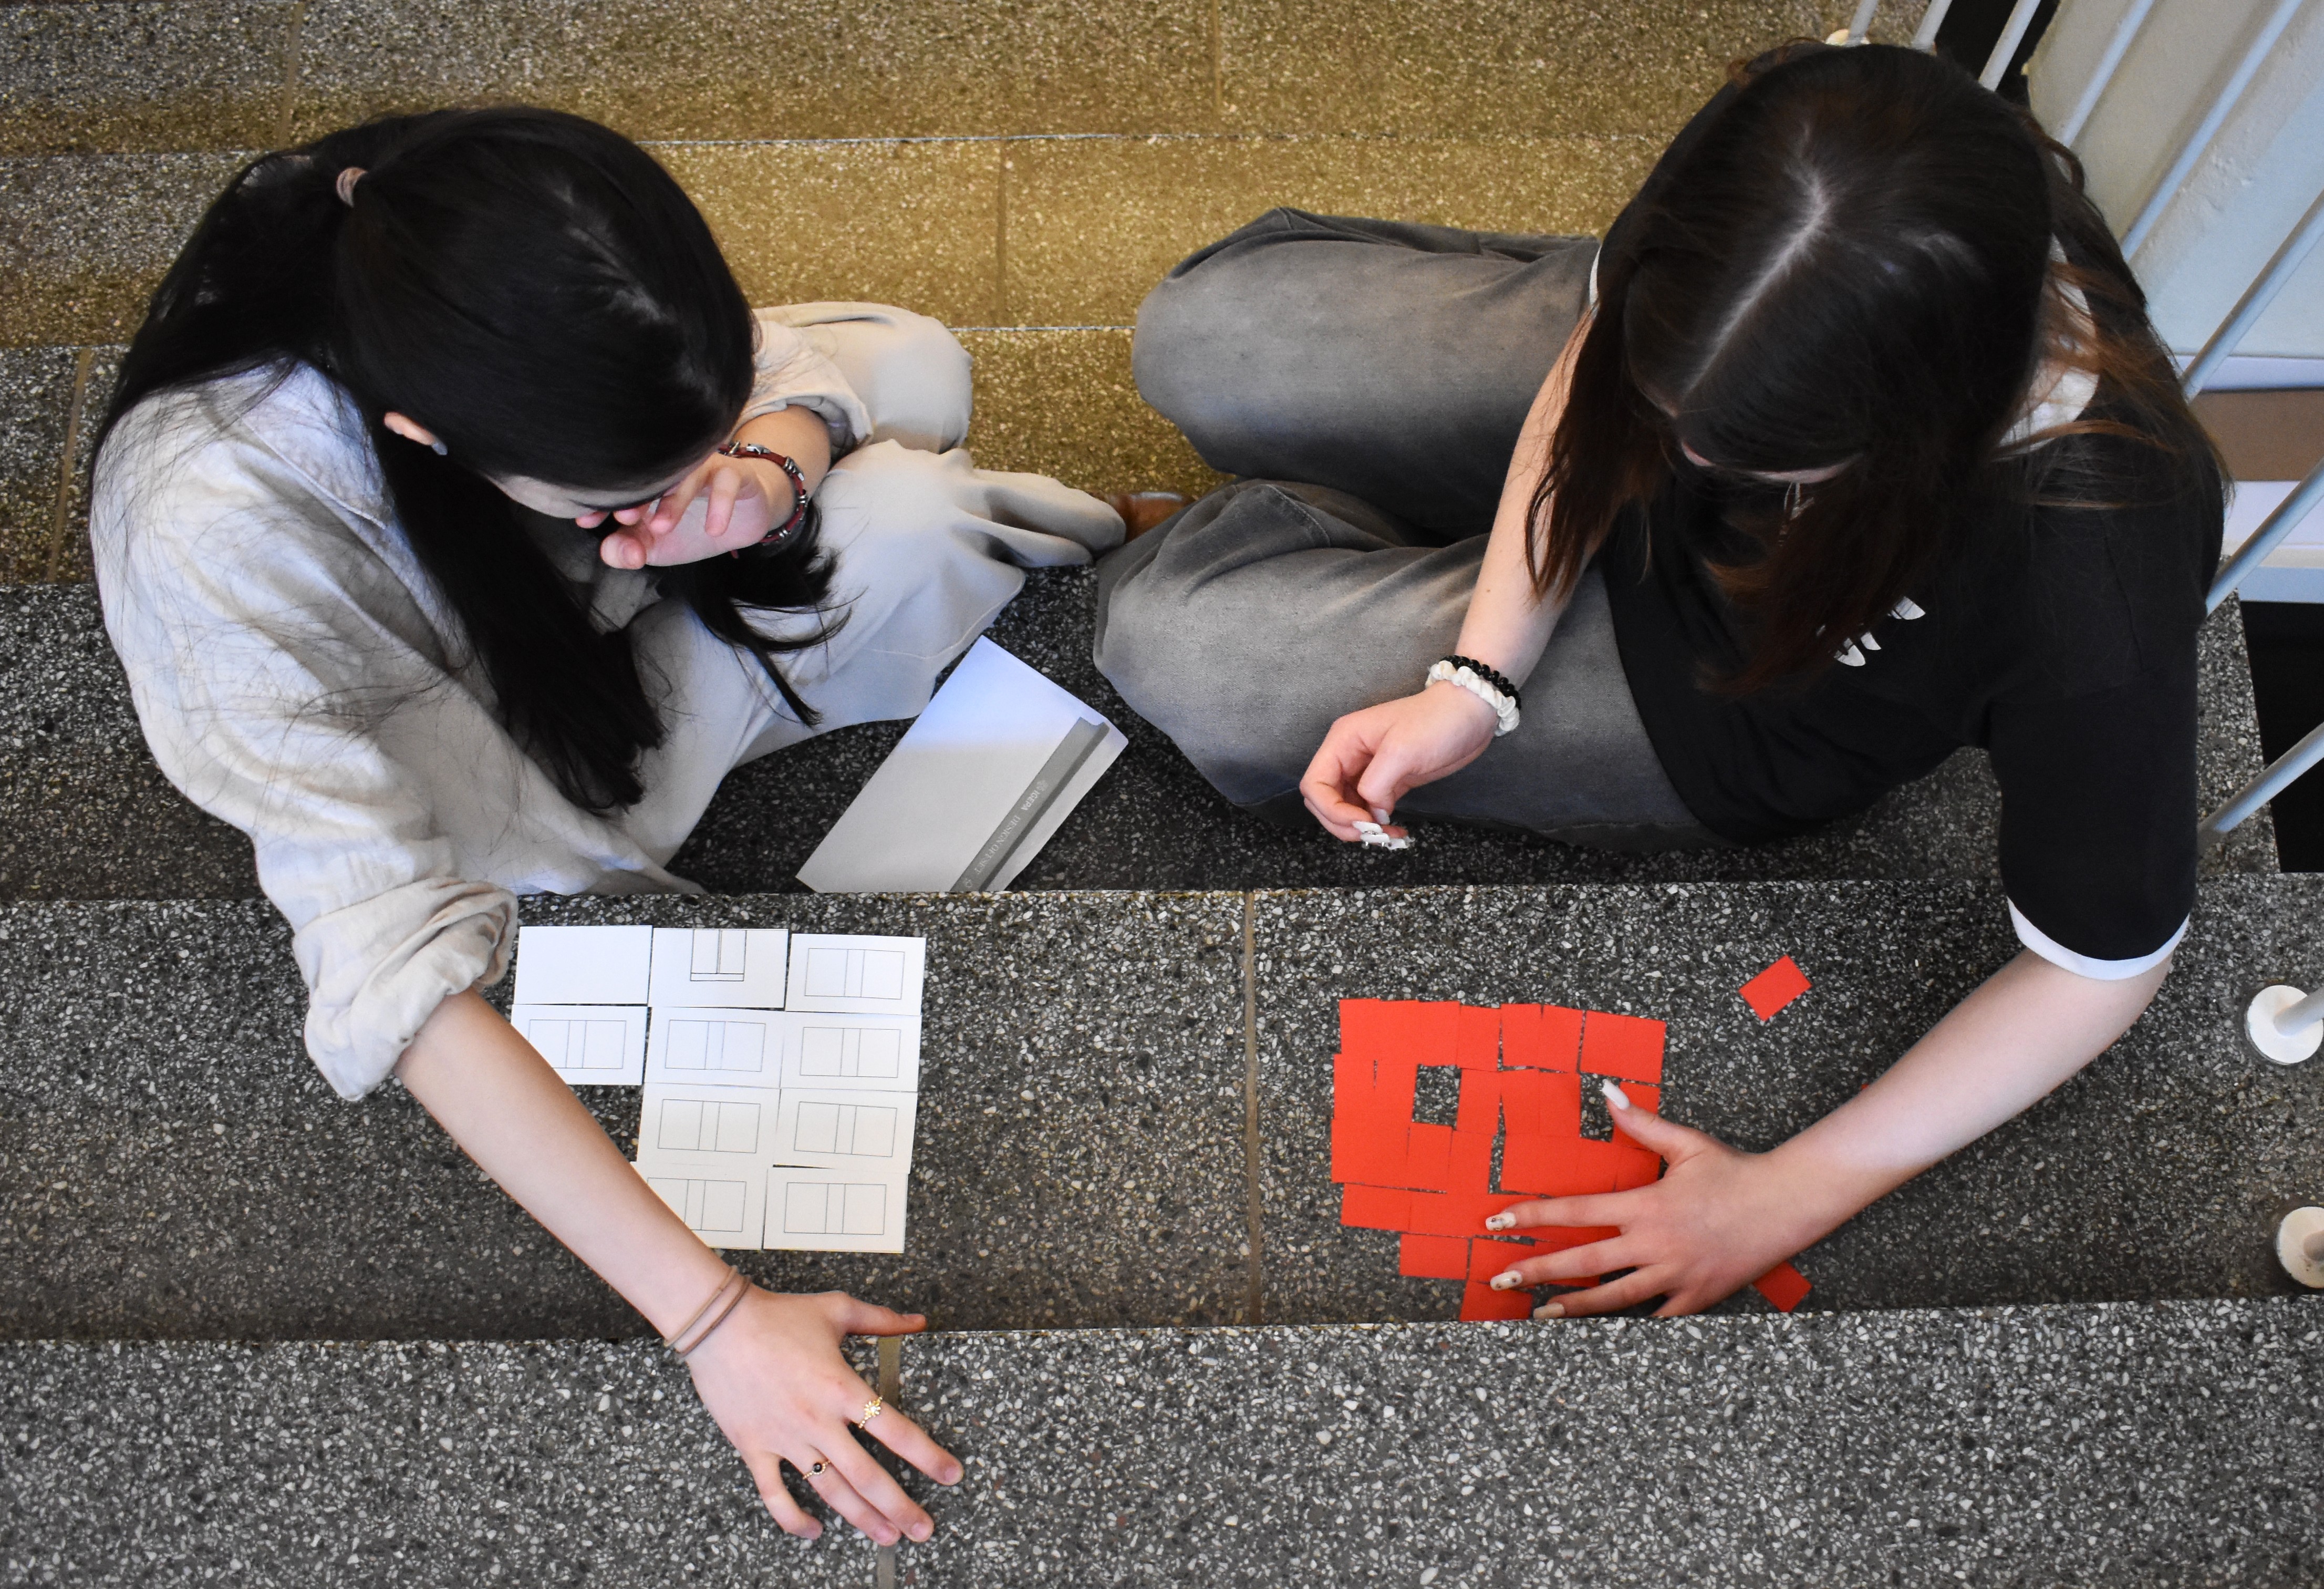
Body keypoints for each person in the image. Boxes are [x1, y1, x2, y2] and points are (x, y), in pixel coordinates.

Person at [91, 106, 1129, 1544]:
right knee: (930, 524)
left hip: (605, 614)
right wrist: (713, 1319)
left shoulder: (481, 228)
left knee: (919, 377)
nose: (664, 488)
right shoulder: (215, 538)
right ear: (428, 435)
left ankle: (821, 530)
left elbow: (762, 381)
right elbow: (393, 968)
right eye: (620, 488)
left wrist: (755, 476)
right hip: (502, 766)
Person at [1096, 43, 2222, 1315]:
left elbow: (2101, 965)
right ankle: (1368, 535)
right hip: (1699, 402)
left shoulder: (2095, 566)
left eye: (1770, 461)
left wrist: (1786, 1193)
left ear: (1920, 429)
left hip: (1722, 703)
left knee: (1164, 641)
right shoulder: (1817, 148)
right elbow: (1600, 374)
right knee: (1198, 340)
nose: (1681, 461)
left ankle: (1342, 529)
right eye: (1674, 413)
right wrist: (1476, 674)